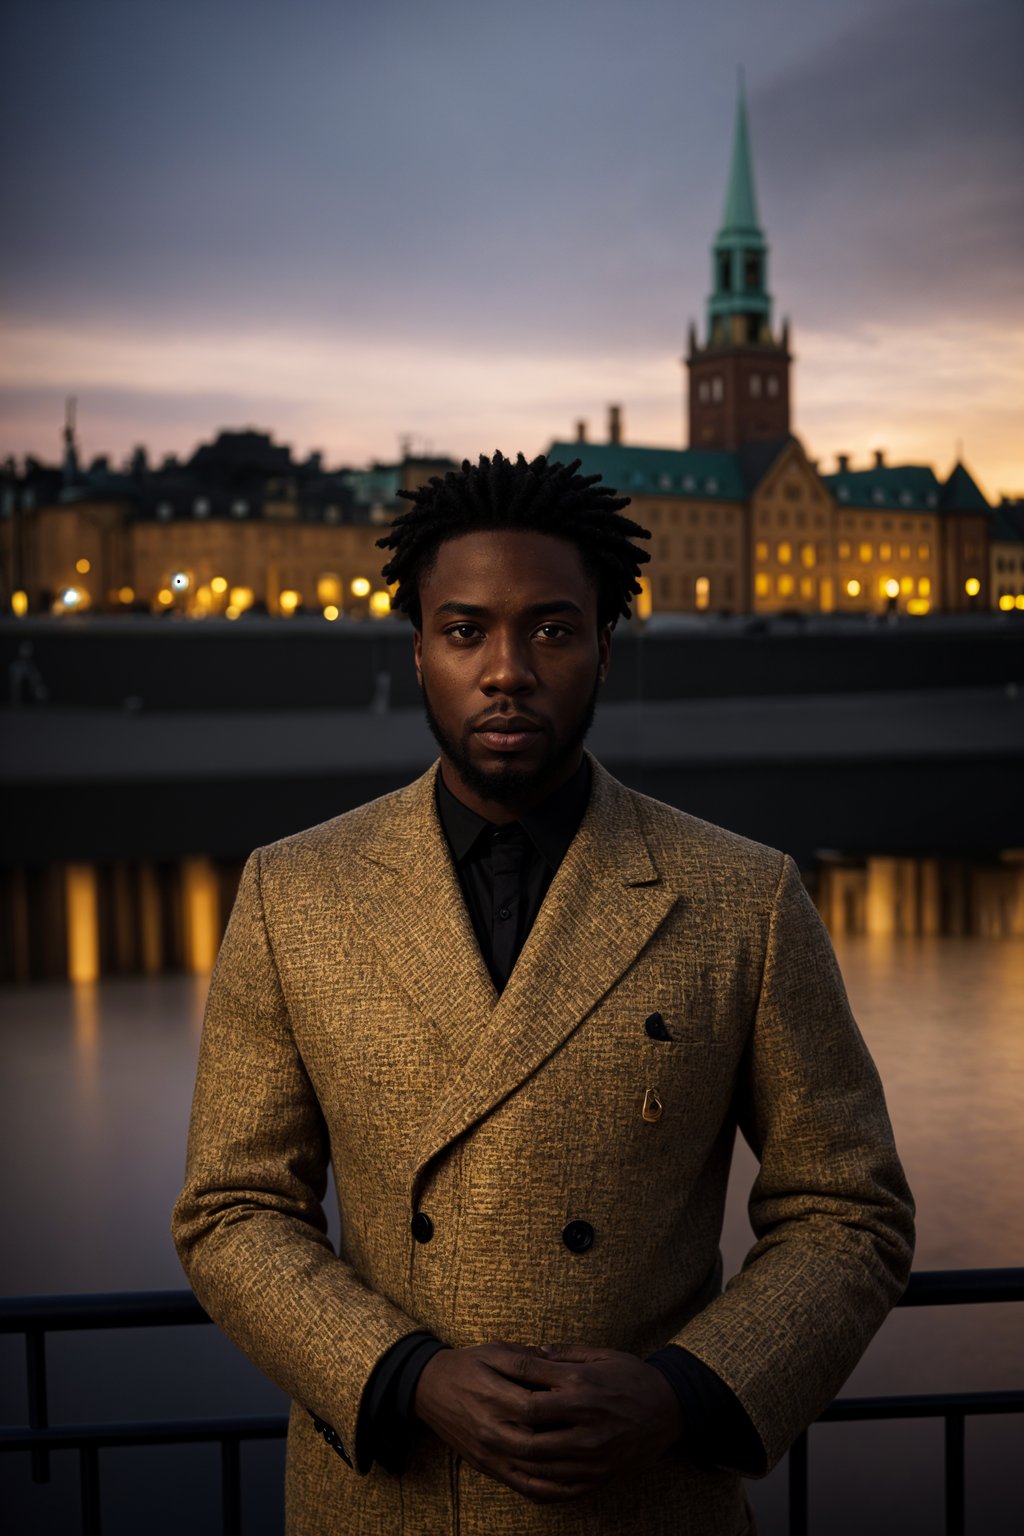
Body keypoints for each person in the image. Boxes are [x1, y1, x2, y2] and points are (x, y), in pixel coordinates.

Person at [172, 451, 914, 1535]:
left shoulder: (743, 897)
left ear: (605, 651)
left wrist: (682, 1393)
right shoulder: (294, 892)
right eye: (465, 630)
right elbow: (231, 1208)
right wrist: (404, 1377)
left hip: (642, 1500)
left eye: (552, 630)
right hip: (388, 1499)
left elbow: (848, 1209)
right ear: (419, 653)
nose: (507, 669)